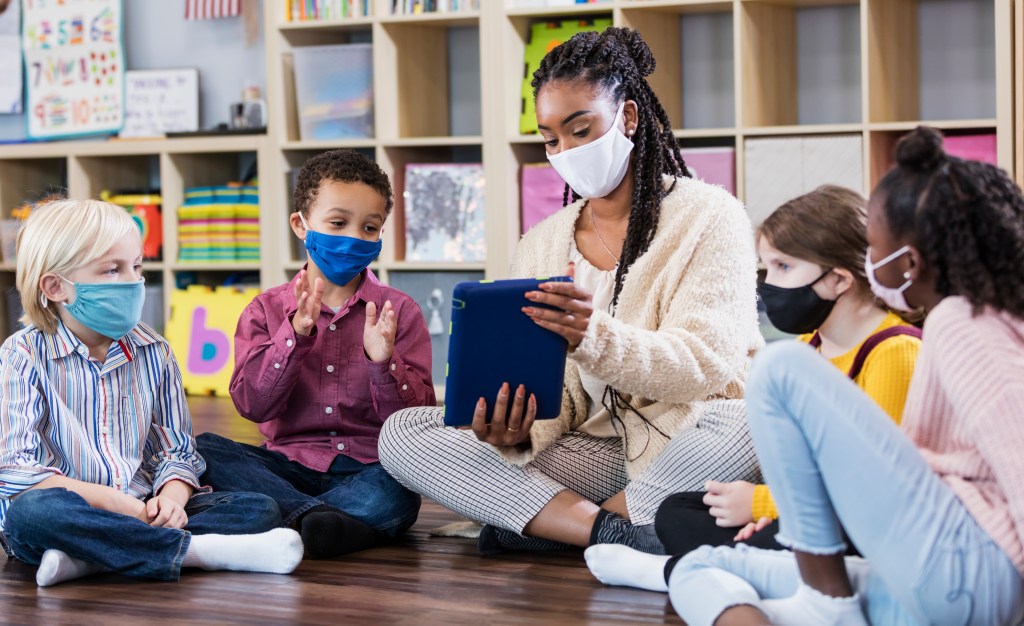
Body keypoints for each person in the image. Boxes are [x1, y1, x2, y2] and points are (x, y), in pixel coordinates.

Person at [378, 27, 763, 556]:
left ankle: (543, 522)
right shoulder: (541, 244)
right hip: (589, 448)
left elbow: (706, 365)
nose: (566, 151)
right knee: (403, 434)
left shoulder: (708, 216)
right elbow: (555, 397)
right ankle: (615, 534)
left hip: (688, 435)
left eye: (581, 130)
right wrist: (513, 430)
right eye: (552, 139)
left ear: (627, 118)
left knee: (747, 421)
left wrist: (592, 336)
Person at [664, 127, 1024, 625]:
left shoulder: (958, 323)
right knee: (699, 566)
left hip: (971, 570)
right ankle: (811, 600)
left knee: (778, 367)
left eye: (874, 250)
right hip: (952, 571)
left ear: (910, 263)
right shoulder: (984, 316)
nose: (869, 263)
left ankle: (826, 604)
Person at [584, 185, 923, 591]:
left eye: (783, 267)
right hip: (808, 509)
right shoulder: (804, 350)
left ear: (838, 279)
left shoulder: (894, 352)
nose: (768, 284)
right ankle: (748, 569)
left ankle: (683, 574)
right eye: (766, 267)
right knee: (677, 511)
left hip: (866, 520)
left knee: (795, 534)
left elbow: (873, 489)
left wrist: (763, 504)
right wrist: (772, 510)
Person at [0, 200, 301, 587]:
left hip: (142, 507)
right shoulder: (21, 355)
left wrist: (172, 499)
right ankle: (199, 554)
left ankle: (90, 558)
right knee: (34, 514)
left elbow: (176, 451)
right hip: (70, 510)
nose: (133, 281)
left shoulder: (153, 350)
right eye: (113, 270)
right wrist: (114, 503)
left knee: (258, 510)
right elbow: (14, 470)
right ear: (56, 287)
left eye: (137, 267)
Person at [196, 149, 434, 559]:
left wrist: (383, 363)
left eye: (369, 227)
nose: (353, 238)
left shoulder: (399, 312)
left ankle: (285, 520)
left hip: (367, 470)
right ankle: (326, 524)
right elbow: (253, 406)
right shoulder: (265, 310)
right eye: (338, 223)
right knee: (204, 449)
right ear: (301, 225)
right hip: (285, 467)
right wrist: (294, 337)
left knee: (397, 492)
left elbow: (416, 422)